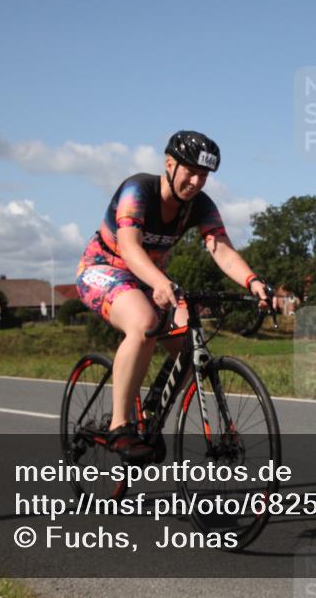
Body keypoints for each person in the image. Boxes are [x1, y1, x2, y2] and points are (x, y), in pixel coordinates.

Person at [76, 130, 272, 460]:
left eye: (204, 175)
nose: (196, 181)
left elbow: (221, 249)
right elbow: (129, 247)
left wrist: (252, 281)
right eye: (190, 171)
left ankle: (151, 415)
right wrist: (160, 283)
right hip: (103, 269)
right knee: (144, 322)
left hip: (149, 278)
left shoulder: (200, 206)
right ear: (169, 164)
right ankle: (120, 426)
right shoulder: (138, 190)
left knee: (189, 343)